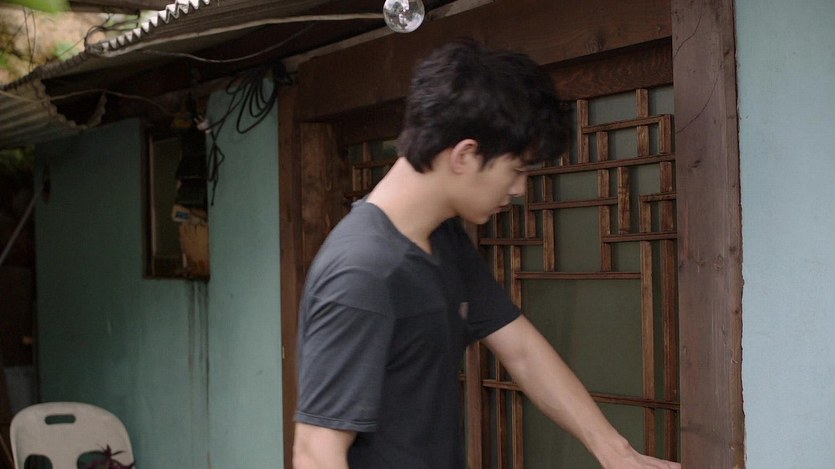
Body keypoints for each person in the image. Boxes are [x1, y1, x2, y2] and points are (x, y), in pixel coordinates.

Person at [292, 38, 681, 469]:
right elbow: (316, 452)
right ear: (465, 155)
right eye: (515, 170)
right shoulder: (363, 272)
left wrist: (618, 455)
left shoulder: (441, 237)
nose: (518, 189)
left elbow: (521, 350)